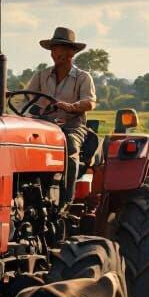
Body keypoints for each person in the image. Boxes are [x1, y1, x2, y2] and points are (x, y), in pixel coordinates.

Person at [25, 27, 97, 208]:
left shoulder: (82, 77)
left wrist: (71, 107)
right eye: (56, 48)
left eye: (64, 49)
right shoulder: (41, 76)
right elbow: (27, 97)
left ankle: (66, 199)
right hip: (45, 125)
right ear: (51, 52)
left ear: (73, 52)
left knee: (70, 147)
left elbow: (89, 102)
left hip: (72, 126)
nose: (59, 53)